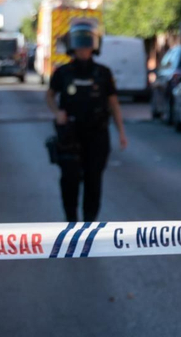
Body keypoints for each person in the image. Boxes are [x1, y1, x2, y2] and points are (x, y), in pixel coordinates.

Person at [45, 26, 127, 222]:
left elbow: (113, 103)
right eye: (79, 47)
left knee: (94, 179)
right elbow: (49, 95)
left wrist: (121, 132)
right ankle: (71, 222)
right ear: (72, 49)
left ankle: (89, 224)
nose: (83, 51)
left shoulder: (103, 73)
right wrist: (57, 113)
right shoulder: (63, 73)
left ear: (93, 48)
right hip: (71, 134)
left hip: (97, 133)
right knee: (70, 179)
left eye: (86, 47)